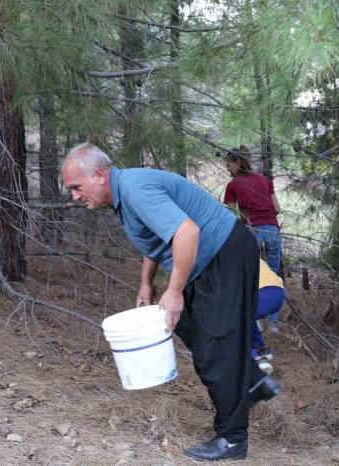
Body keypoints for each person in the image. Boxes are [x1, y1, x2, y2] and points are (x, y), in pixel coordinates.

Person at [61, 143, 281, 461]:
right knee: (192, 330)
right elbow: (157, 237)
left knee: (214, 348)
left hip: (222, 253)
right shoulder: (125, 193)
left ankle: (233, 438)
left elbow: (187, 232)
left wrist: (174, 291)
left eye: (76, 187)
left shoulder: (135, 189)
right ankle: (254, 380)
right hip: (212, 259)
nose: (75, 196)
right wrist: (146, 285)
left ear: (98, 174)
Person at [223, 147, 283, 333]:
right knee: (273, 274)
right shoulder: (264, 180)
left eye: (229, 163)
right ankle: (273, 323)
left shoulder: (233, 185)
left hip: (252, 230)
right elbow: (277, 208)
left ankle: (255, 318)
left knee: (250, 275)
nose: (227, 168)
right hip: (273, 229)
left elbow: (231, 214)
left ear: (238, 163)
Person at [252, 259, 285, 375]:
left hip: (262, 293)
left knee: (237, 318)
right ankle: (262, 349)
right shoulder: (250, 252)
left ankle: (256, 359)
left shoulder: (229, 257)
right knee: (247, 317)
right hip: (279, 293)